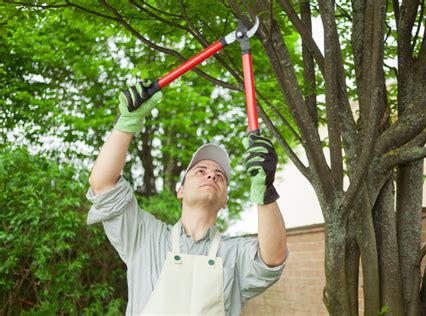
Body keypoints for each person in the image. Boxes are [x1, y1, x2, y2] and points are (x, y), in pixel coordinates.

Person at [86, 81, 288, 315]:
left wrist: (266, 192)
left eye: (219, 175)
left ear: (225, 201)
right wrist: (126, 123)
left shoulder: (234, 254)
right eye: (200, 171)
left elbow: (272, 259)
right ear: (180, 191)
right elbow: (102, 184)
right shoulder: (145, 237)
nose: (211, 174)